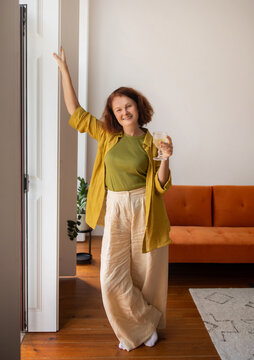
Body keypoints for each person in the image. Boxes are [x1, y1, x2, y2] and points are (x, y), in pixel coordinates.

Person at [53, 47, 173, 352]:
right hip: (117, 207)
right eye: (118, 109)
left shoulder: (152, 141)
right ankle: (145, 325)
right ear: (113, 113)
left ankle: (143, 329)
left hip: (145, 210)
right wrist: (65, 71)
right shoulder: (107, 135)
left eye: (128, 106)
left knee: (143, 275)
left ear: (138, 107)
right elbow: (75, 111)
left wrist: (167, 159)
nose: (124, 112)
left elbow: (160, 187)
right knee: (110, 276)